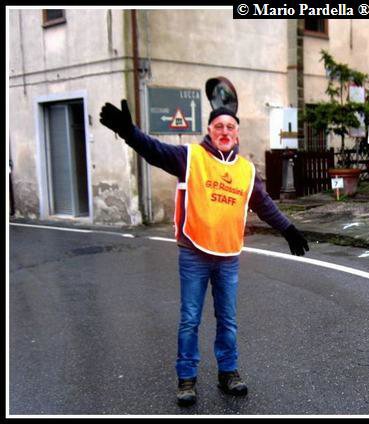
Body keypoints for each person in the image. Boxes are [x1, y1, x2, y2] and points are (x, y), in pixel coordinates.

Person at [99, 99, 309, 405]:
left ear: (236, 134)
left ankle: (228, 373)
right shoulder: (190, 157)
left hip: (228, 256)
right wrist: (130, 133)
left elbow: (264, 205)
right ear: (209, 131)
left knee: (228, 320)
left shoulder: (246, 170)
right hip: (193, 253)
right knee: (190, 319)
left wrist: (288, 228)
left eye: (230, 127)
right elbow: (155, 151)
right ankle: (186, 379)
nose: (224, 131)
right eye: (219, 126)